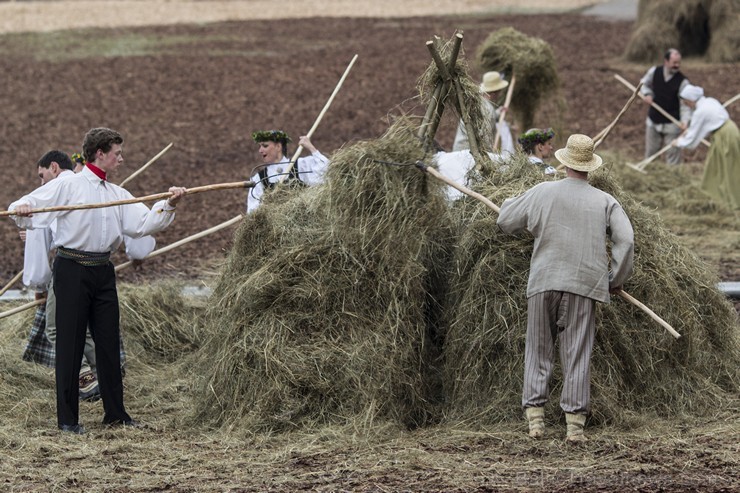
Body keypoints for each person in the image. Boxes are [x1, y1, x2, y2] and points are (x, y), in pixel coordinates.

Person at [9, 127, 186, 434]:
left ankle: (116, 415)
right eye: (117, 152)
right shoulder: (69, 185)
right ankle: (68, 421)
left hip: (103, 272)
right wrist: (21, 209)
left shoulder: (117, 194)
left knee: (107, 344)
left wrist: (169, 204)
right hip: (71, 270)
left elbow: (144, 223)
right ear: (100, 153)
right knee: (70, 345)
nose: (121, 157)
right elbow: (27, 205)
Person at [496, 134, 634, 442]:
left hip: (544, 281)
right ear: (590, 167)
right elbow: (626, 240)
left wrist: (515, 208)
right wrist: (615, 278)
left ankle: (535, 420)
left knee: (538, 348)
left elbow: (506, 220)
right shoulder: (605, 201)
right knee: (577, 352)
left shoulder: (543, 191)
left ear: (564, 161)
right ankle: (574, 427)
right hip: (584, 284)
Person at [672, 84, 740, 210]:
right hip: (727, 132)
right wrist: (689, 131)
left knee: (730, 167)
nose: (686, 105)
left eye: (686, 102)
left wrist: (678, 142)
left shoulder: (701, 111)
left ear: (691, 100)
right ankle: (719, 196)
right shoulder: (709, 101)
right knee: (716, 165)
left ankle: (734, 201)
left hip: (726, 136)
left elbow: (692, 138)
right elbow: (699, 127)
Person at [246, 130, 329, 212]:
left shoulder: (300, 166)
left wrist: (311, 147)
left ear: (278, 147)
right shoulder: (258, 179)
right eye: (260, 146)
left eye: (265, 146)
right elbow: (252, 211)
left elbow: (326, 171)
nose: (260, 150)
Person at [639, 48, 691, 165]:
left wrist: (685, 121)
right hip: (653, 121)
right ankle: (648, 175)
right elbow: (643, 84)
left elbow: (685, 105)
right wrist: (647, 94)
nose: (677, 66)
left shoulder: (683, 82)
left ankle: (673, 179)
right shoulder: (654, 71)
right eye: (674, 63)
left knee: (673, 156)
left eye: (679, 63)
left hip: (672, 124)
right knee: (651, 154)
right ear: (666, 61)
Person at [452, 71, 514, 156]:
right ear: (494, 93)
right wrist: (490, 158)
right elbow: (485, 139)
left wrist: (498, 112)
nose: (499, 94)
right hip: (467, 154)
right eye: (499, 92)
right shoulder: (488, 109)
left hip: (460, 151)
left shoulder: (480, 102)